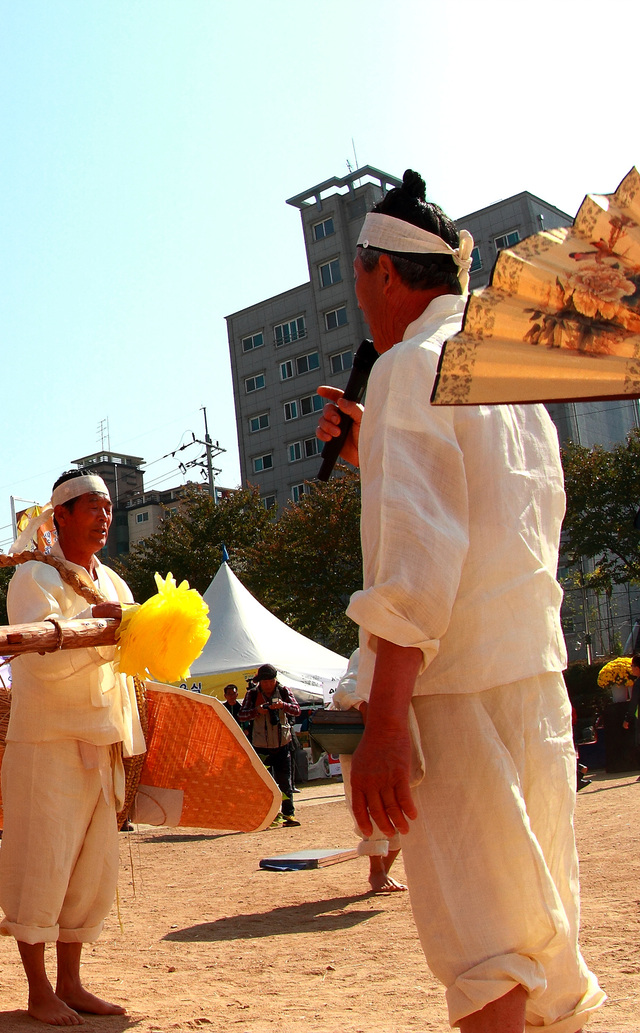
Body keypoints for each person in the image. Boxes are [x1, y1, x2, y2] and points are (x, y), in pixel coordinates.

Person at [314, 169, 604, 1033]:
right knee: (542, 937)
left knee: (487, 950)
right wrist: (373, 451)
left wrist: (386, 723)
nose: (360, 298)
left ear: (385, 273)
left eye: (358, 277)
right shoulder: (505, 380)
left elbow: (419, 560)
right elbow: (492, 516)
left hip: (453, 693)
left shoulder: (407, 366)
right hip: (533, 685)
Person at [0, 471, 139, 1025]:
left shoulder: (116, 583)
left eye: (109, 508)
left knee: (91, 866)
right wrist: (88, 623)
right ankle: (38, 990)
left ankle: (72, 982)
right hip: (48, 740)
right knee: (42, 859)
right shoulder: (33, 576)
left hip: (102, 736)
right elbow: (36, 654)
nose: (104, 517)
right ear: (60, 515)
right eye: (93, 508)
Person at [330, 649, 406, 894]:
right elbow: (346, 690)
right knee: (371, 806)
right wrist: (370, 713)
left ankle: (384, 869)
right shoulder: (366, 651)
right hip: (363, 743)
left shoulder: (408, 648)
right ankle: (376, 870)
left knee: (406, 809)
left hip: (399, 740)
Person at [238, 665, 302, 829]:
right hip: (260, 746)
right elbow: (242, 715)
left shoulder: (284, 691)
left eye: (270, 681)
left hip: (282, 743)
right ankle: (267, 817)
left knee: (285, 782)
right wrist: (257, 711)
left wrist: (282, 706)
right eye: (264, 682)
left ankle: (288, 815)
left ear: (275, 680)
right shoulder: (252, 694)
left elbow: (297, 710)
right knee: (264, 784)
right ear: (260, 681)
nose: (267, 685)